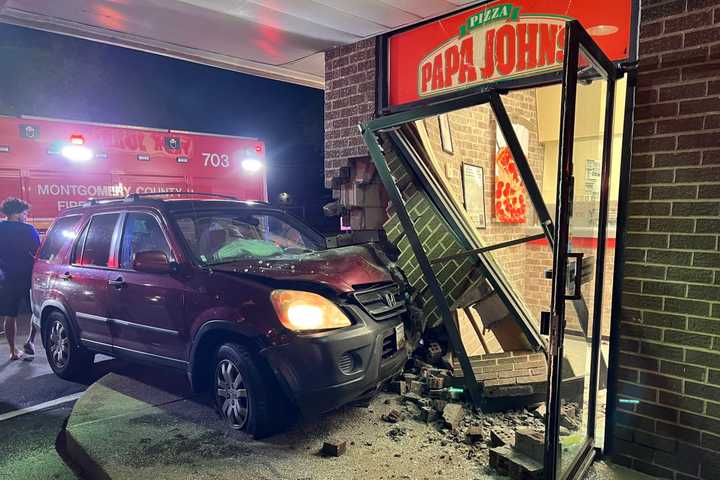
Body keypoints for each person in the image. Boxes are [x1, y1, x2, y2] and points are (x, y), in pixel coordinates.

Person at [0, 197, 40, 360]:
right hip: (29, 275)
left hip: (8, 276)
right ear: (16, 214)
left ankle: (12, 351)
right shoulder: (28, 230)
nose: (26, 216)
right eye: (24, 213)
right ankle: (30, 340)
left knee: (10, 314)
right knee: (36, 310)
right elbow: (39, 252)